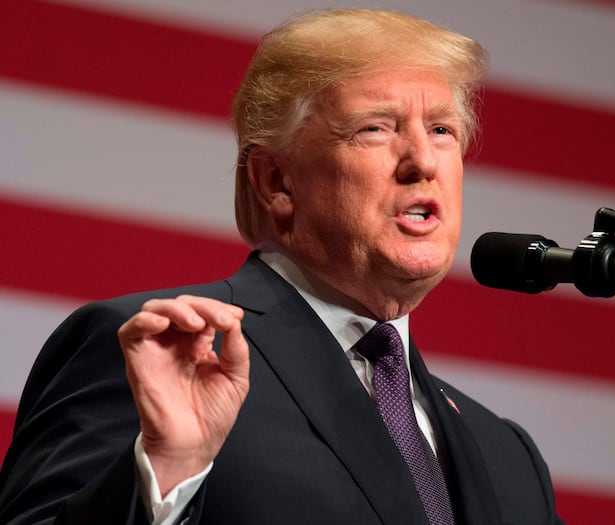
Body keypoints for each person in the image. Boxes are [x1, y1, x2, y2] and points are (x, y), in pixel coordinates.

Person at [0, 8, 565, 525]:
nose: (423, 162)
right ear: (277, 182)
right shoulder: (168, 359)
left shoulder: (507, 456)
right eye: (377, 127)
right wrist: (164, 475)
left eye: (442, 130)